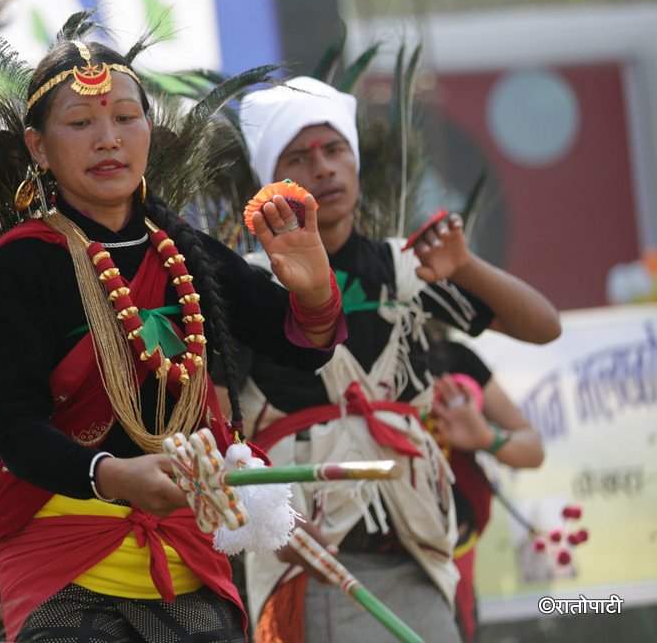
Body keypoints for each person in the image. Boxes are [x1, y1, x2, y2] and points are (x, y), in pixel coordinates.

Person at [0, 41, 349, 642]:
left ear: (149, 128)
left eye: (125, 117)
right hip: (62, 554)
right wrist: (113, 475)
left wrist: (314, 288)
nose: (108, 139)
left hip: (188, 549)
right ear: (38, 146)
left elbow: (303, 346)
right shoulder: (19, 267)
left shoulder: (186, 251)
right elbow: (14, 429)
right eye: (80, 123)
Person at [238, 76, 561, 642]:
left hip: (420, 547)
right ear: (272, 183)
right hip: (310, 555)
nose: (323, 168)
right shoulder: (249, 283)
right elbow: (218, 431)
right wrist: (269, 521)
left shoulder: (406, 270)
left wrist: (466, 267)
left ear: (356, 164)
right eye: (299, 157)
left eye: (335, 150)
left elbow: (543, 326)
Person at [427, 335, 544, 643]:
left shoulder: (451, 359)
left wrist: (487, 439)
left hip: (452, 556)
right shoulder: (334, 355)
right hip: (366, 559)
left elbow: (532, 449)